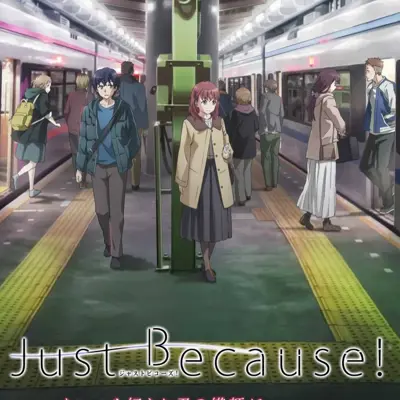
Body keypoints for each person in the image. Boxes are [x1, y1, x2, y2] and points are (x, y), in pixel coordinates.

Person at [75, 67, 140, 269]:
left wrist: (126, 155)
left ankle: (116, 253)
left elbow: (134, 137)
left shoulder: (123, 109)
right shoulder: (89, 111)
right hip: (97, 166)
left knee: (117, 212)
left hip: (117, 167)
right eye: (102, 86)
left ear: (115, 88)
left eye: (110, 86)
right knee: (101, 211)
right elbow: (84, 140)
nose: (105, 89)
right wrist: (80, 168)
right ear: (96, 88)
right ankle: (107, 241)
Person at [175, 81, 234, 283]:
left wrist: (228, 152)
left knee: (216, 222)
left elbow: (227, 146)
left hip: (219, 177)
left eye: (213, 101)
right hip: (198, 179)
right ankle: (207, 264)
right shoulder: (189, 124)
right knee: (203, 223)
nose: (209, 106)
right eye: (205, 101)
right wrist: (182, 180)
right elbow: (184, 153)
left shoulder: (220, 123)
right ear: (196, 102)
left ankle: (207, 260)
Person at [297, 68, 346, 232]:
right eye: (334, 82)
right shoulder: (328, 99)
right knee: (326, 184)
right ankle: (326, 222)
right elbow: (339, 122)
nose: (336, 86)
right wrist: (342, 131)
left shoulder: (316, 98)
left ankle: (307, 216)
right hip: (326, 148)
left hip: (314, 148)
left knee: (314, 183)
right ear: (327, 83)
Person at [11, 74, 60, 197]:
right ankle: (16, 176)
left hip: (25, 132)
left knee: (32, 164)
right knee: (33, 163)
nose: (50, 87)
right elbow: (46, 113)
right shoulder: (42, 95)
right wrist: (55, 123)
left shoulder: (29, 93)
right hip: (36, 134)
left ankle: (31, 190)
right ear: (45, 85)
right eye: (49, 85)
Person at [360, 58, 396, 214]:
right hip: (373, 133)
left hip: (386, 134)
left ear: (376, 70)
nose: (365, 73)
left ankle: (389, 203)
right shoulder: (370, 87)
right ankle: (389, 188)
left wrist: (385, 122)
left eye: (367, 70)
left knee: (381, 168)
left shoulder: (389, 86)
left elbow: (394, 110)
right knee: (365, 166)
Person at [119, 61, 149, 191]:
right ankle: (135, 183)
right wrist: (145, 126)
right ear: (132, 71)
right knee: (135, 155)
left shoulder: (114, 87)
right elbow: (142, 107)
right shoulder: (139, 87)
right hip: (135, 124)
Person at [229, 87, 259, 205]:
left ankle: (240, 198)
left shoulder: (235, 113)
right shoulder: (253, 112)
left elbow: (231, 130)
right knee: (247, 171)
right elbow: (257, 126)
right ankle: (248, 193)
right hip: (250, 146)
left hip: (238, 146)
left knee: (238, 172)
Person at [64, 73, 94, 188]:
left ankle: (77, 176)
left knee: (75, 153)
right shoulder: (90, 96)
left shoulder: (71, 95)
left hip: (72, 128)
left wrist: (69, 122)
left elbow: (66, 111)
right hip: (85, 129)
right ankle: (83, 180)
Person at [258, 78, 284, 191]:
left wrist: (263, 127)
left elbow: (262, 112)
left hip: (267, 131)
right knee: (275, 156)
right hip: (277, 132)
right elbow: (282, 114)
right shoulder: (279, 98)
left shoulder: (265, 97)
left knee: (266, 157)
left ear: (267, 88)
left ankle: (268, 184)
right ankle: (275, 182)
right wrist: (278, 127)